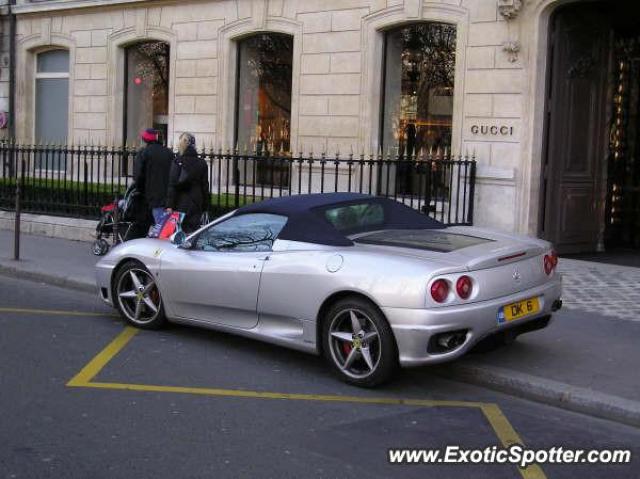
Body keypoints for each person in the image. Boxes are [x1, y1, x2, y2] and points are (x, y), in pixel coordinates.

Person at [166, 132, 209, 234]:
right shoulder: (202, 163)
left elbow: (172, 185)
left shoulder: (177, 162)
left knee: (178, 234)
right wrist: (205, 207)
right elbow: (205, 186)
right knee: (193, 233)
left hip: (180, 202)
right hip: (196, 202)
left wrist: (169, 205)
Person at [133, 128, 174, 235]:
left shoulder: (144, 153)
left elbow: (138, 176)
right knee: (165, 227)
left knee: (157, 228)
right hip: (168, 196)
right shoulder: (169, 153)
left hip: (151, 196)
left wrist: (140, 190)